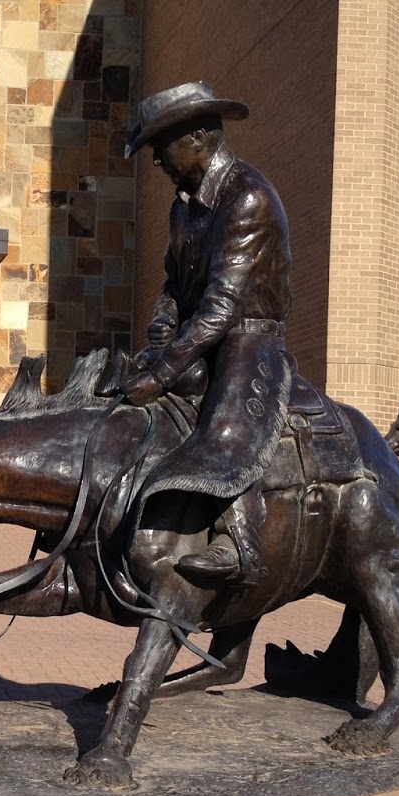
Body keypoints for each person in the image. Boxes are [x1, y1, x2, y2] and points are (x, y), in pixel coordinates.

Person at [118, 80, 293, 588]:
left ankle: (240, 540)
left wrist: (164, 370)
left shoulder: (248, 197)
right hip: (201, 331)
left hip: (248, 337)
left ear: (197, 138)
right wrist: (155, 344)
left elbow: (222, 305)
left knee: (228, 421)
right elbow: (174, 285)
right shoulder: (183, 206)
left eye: (160, 147)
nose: (155, 161)